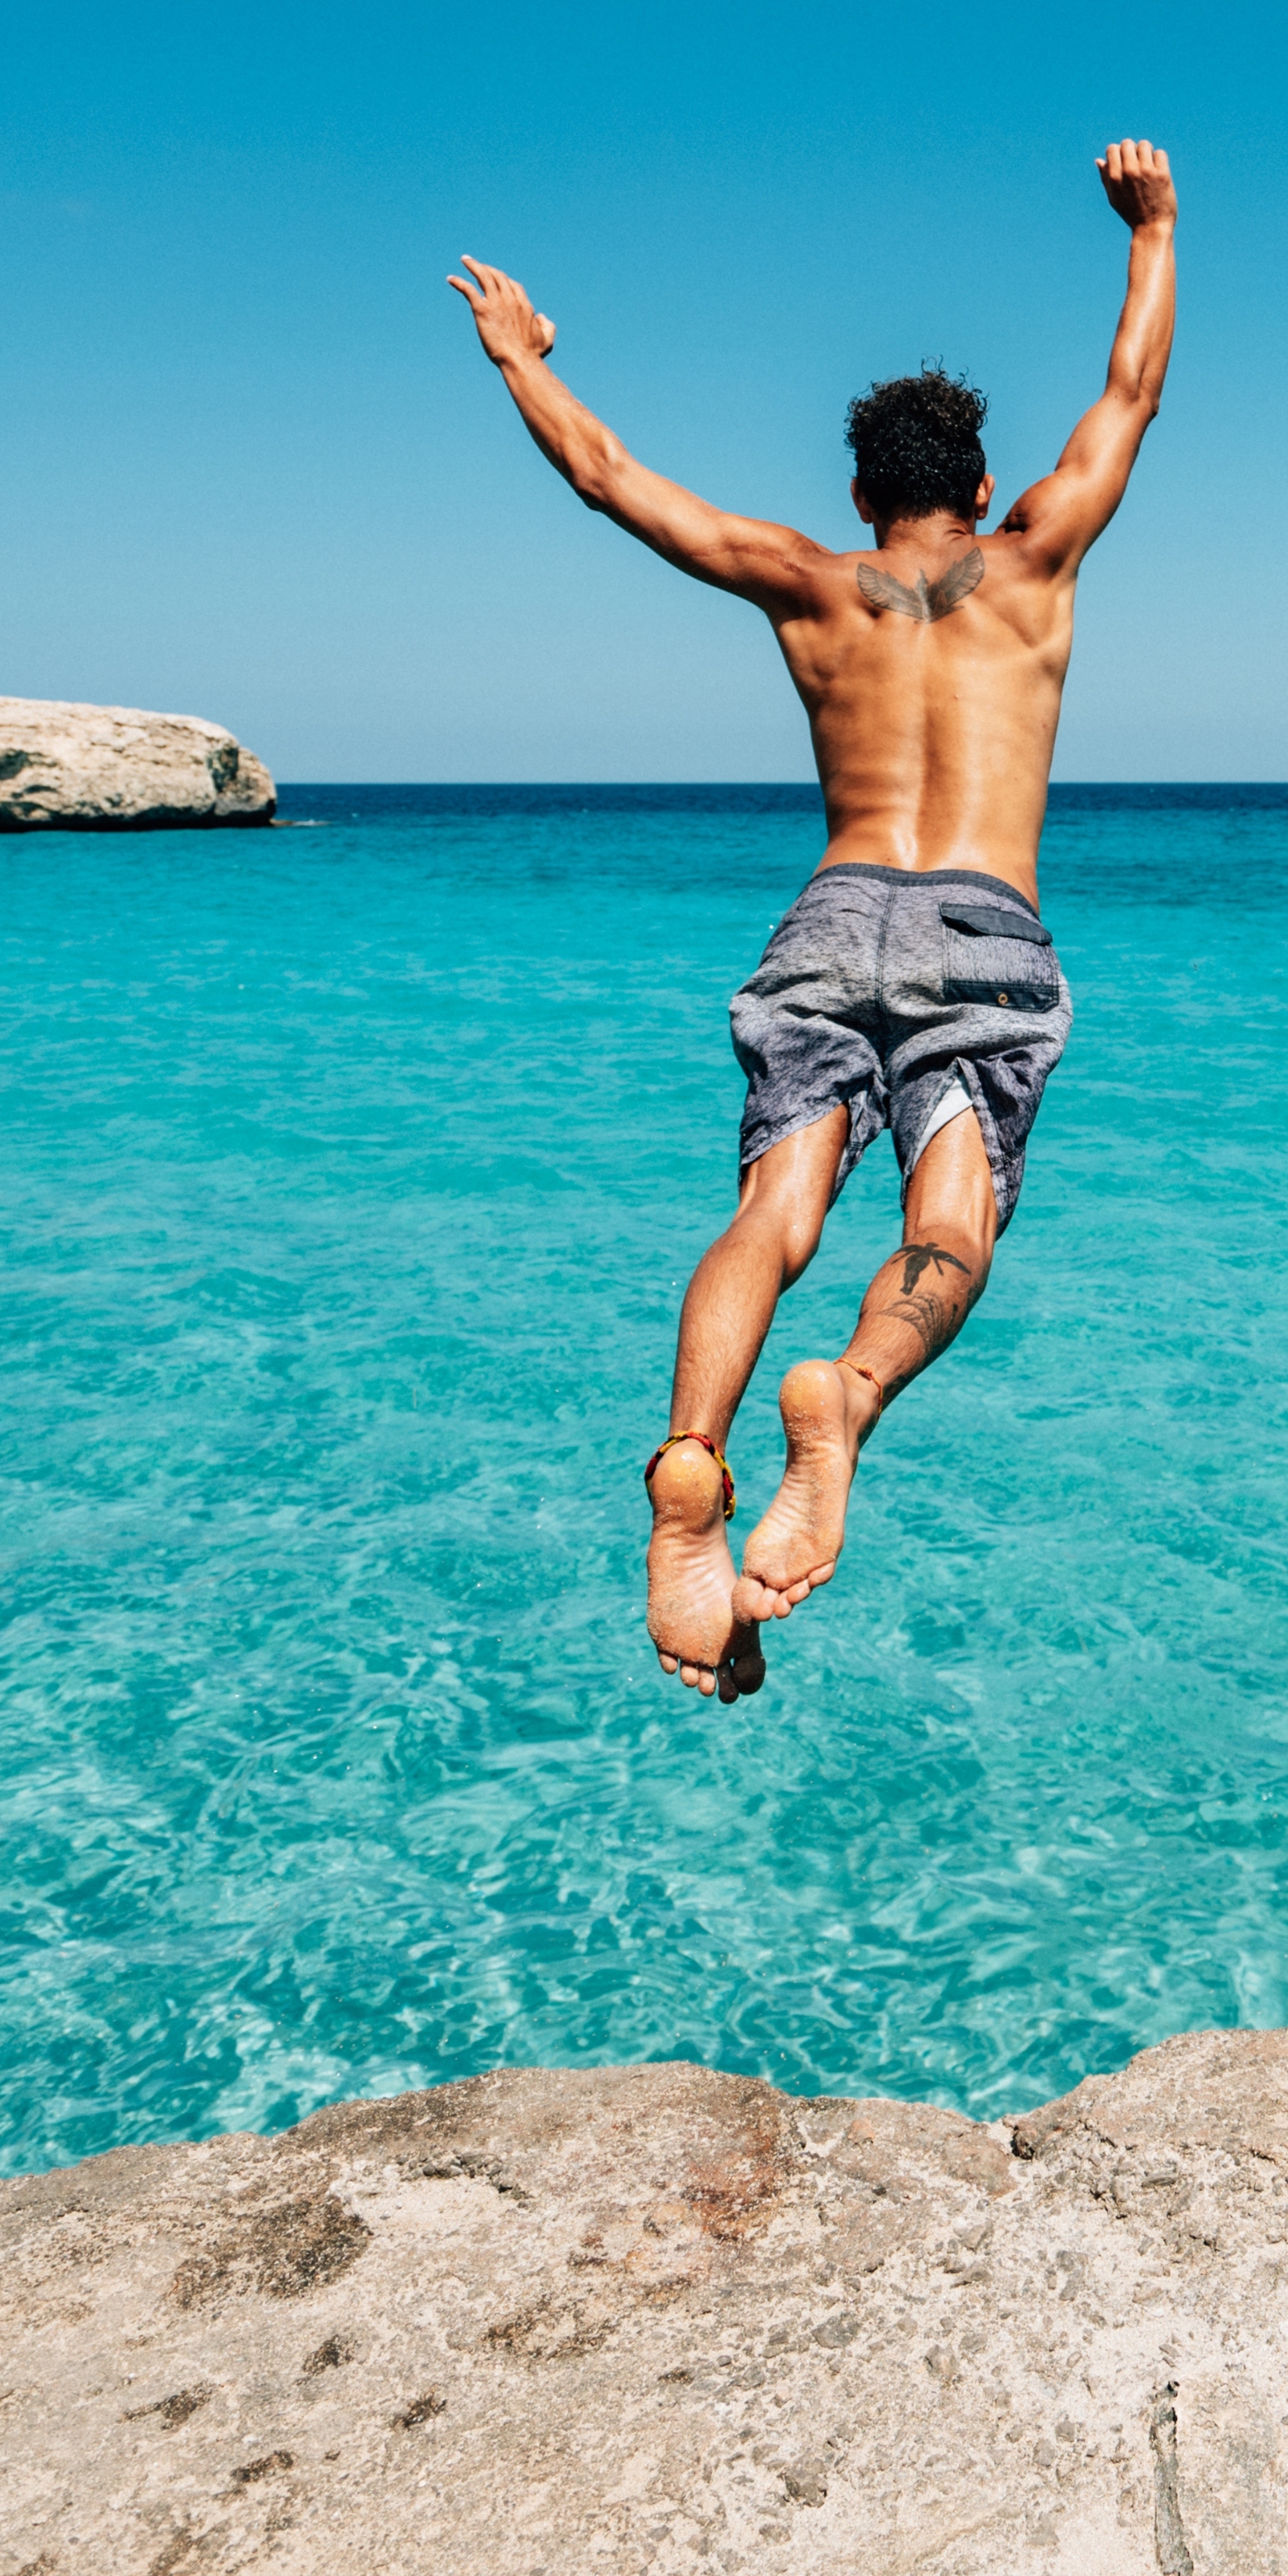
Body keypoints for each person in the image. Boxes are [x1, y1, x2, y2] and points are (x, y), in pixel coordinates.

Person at [451, 142, 1182, 1703]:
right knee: (945, 1236)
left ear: (863, 495)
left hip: (831, 915)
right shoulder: (1037, 553)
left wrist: (521, 360)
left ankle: (688, 1455)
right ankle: (843, 1398)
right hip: (986, 927)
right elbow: (1131, 396)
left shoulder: (808, 579)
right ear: (979, 488)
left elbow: (612, 479)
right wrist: (1154, 230)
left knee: (770, 1223)